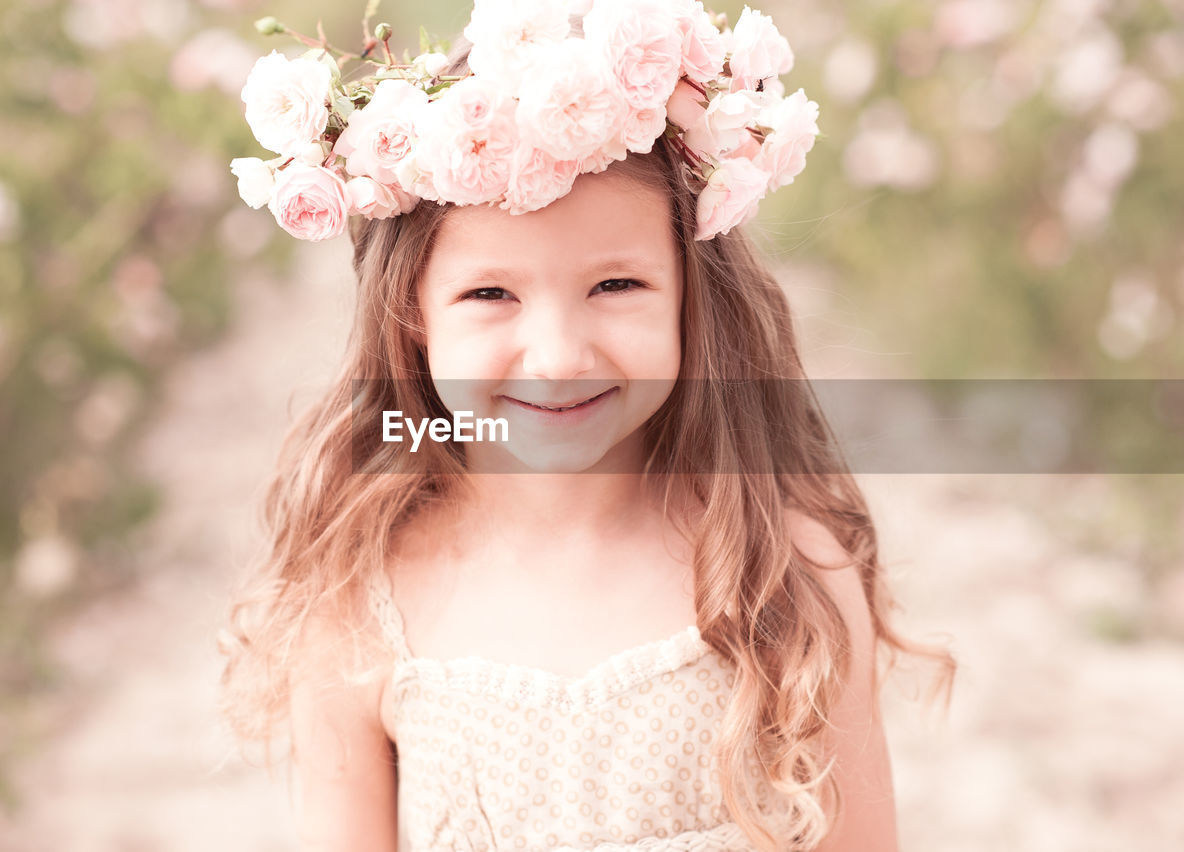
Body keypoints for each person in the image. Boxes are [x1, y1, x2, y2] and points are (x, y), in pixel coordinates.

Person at [219, 3, 955, 851]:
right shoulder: (358, 600)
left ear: (692, 296)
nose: (560, 356)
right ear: (412, 318)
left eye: (616, 286)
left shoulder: (787, 575)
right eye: (491, 295)